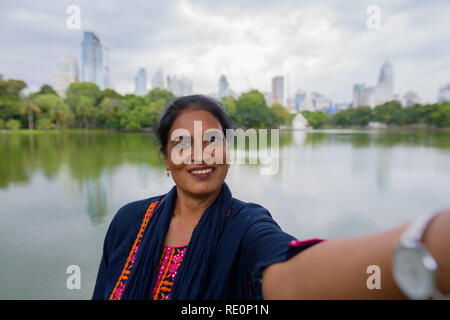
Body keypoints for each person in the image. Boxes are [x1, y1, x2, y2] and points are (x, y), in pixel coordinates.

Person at [92, 95, 450, 300]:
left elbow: (292, 275)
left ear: (228, 152)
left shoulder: (246, 226)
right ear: (167, 160)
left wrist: (427, 244)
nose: (199, 155)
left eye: (212, 141)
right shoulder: (130, 220)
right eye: (182, 144)